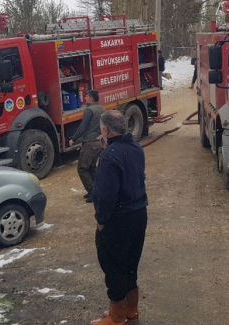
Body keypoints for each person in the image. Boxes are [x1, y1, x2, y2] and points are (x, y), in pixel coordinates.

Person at [90, 110, 148, 325]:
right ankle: (130, 310)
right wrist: (107, 147)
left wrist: (101, 220)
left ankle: (116, 317)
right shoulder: (136, 147)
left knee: (113, 266)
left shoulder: (109, 156)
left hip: (118, 219)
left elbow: (106, 194)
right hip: (139, 214)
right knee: (131, 264)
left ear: (105, 130)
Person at [69, 90, 105, 203]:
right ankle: (98, 190)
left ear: (91, 98)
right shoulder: (101, 109)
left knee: (82, 168)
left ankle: (93, 192)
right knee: (92, 167)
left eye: (87, 97)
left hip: (89, 143)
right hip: (98, 143)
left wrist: (73, 139)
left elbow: (83, 127)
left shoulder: (89, 110)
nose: (85, 98)